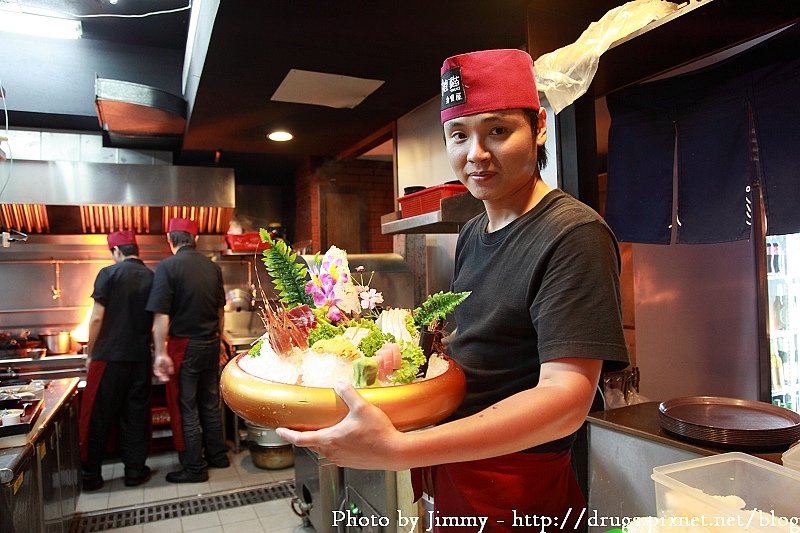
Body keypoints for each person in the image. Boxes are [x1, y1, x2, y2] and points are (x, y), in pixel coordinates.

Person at [277, 49, 630, 532]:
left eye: (498, 131)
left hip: (518, 477)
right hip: (458, 457)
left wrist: (401, 448)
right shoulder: (472, 231)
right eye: (459, 135)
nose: (475, 154)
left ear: (540, 127)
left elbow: (566, 400)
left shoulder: (572, 234)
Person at [147, 217, 230, 483]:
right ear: (195, 239)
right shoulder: (212, 267)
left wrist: (159, 352)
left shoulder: (167, 267)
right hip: (209, 342)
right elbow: (220, 310)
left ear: (170, 239)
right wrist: (218, 339)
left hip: (185, 345)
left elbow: (161, 315)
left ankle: (195, 468)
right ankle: (218, 456)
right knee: (209, 402)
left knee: (187, 407)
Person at [79, 230, 154, 491]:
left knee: (97, 416)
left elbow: (97, 317)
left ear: (115, 251)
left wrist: (90, 353)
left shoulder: (108, 274)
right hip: (140, 358)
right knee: (135, 416)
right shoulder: (152, 276)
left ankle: (91, 476)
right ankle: (135, 472)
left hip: (108, 357)